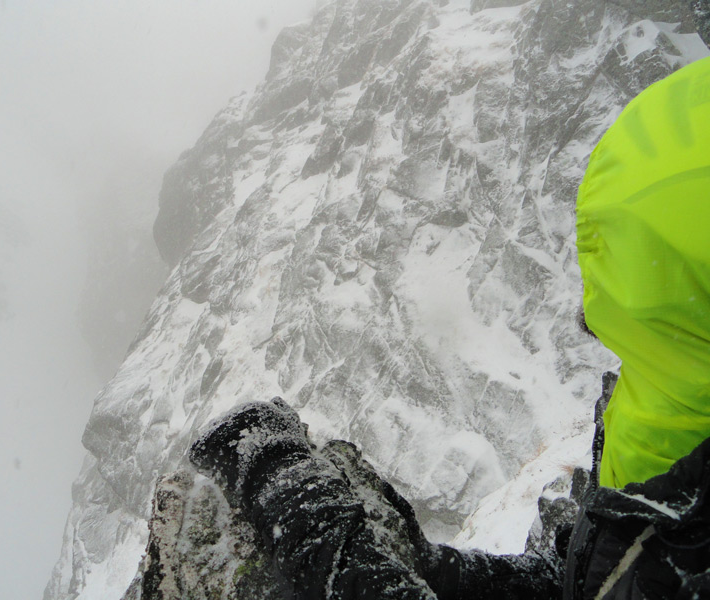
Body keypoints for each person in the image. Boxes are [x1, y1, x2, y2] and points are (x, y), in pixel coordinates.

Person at [190, 56, 710, 599]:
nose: (589, 319)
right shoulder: (672, 419)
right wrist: (428, 567)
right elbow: (591, 581)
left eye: (625, 276)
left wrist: (331, 551)